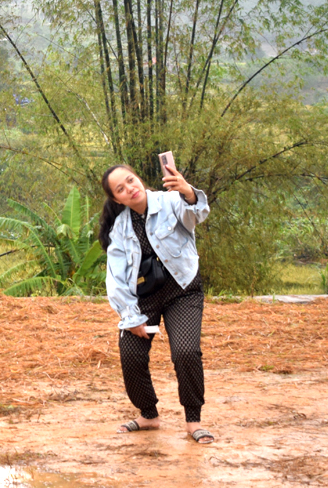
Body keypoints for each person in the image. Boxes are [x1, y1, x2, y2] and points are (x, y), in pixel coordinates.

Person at [99, 162, 215, 445]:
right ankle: (148, 415)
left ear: (138, 178)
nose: (130, 188)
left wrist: (188, 192)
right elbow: (115, 278)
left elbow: (197, 214)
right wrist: (132, 317)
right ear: (117, 199)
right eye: (121, 189)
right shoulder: (120, 228)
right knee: (130, 353)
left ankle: (193, 421)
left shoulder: (170, 201)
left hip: (183, 290)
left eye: (131, 180)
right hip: (144, 297)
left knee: (186, 352)